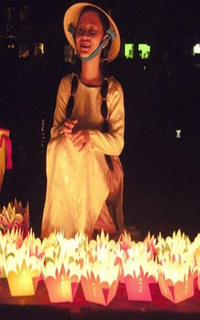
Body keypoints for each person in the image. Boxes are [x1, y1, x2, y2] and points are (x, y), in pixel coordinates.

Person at [41, 2, 136, 239]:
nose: (84, 36)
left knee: (80, 149)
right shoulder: (67, 85)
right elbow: (53, 134)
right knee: (59, 146)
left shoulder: (112, 90)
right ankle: (58, 234)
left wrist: (89, 136)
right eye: (81, 30)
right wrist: (65, 130)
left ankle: (95, 226)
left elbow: (118, 144)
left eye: (92, 31)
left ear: (105, 39)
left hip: (102, 175)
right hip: (69, 167)